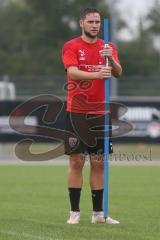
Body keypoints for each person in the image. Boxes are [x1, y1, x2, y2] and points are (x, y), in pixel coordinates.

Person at [62, 7, 122, 224]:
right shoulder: (71, 46)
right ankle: (74, 212)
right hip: (77, 112)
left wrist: (111, 60)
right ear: (81, 23)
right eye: (90, 22)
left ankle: (98, 214)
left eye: (97, 22)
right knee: (77, 162)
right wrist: (97, 74)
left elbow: (118, 72)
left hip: (101, 113)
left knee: (99, 163)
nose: (95, 25)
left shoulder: (108, 47)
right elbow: (72, 72)